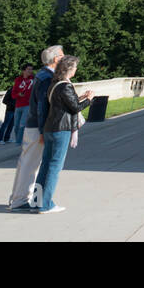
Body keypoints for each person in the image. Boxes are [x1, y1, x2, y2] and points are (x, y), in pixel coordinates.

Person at [33, 56, 95, 214]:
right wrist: (89, 99)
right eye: (74, 67)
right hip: (61, 129)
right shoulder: (65, 86)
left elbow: (63, 103)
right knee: (55, 167)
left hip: (49, 128)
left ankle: (36, 201)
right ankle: (46, 204)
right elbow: (74, 108)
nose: (76, 70)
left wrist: (80, 97)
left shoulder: (54, 84)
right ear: (69, 69)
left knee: (46, 165)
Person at [8, 45, 62, 210]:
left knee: (27, 163)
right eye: (62, 56)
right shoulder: (46, 77)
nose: (64, 58)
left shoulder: (42, 75)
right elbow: (42, 106)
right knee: (31, 165)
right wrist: (42, 130)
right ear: (55, 59)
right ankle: (20, 200)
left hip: (34, 125)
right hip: (37, 127)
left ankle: (18, 198)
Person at [11, 64, 35, 145]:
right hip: (18, 105)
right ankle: (19, 140)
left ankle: (19, 142)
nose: (30, 71)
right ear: (24, 70)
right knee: (16, 125)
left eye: (31, 69)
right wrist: (18, 94)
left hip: (28, 105)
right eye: (28, 69)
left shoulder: (34, 79)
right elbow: (13, 94)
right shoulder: (18, 80)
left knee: (22, 124)